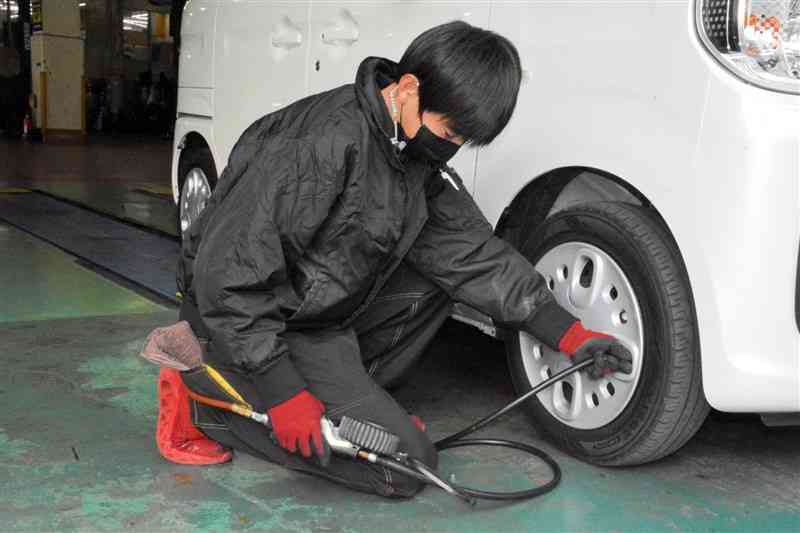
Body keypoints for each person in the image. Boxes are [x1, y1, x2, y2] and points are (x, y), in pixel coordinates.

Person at [158, 21, 633, 498]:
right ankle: (207, 401)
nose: (451, 147)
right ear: (407, 89)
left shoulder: (410, 155)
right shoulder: (317, 145)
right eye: (449, 131)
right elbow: (228, 275)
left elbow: (472, 255)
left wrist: (569, 333)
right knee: (406, 468)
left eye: (462, 141)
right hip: (242, 322)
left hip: (317, 320)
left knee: (440, 278)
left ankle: (347, 401)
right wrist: (282, 390)